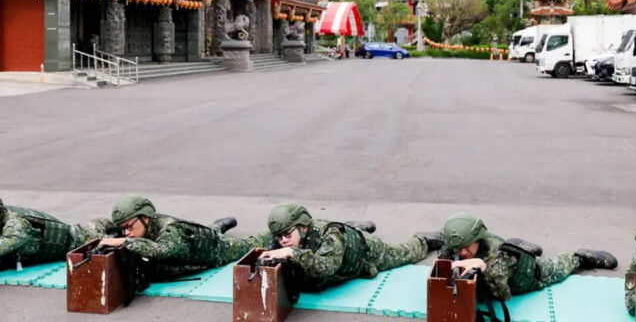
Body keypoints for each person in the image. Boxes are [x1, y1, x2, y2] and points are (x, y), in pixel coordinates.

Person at [258, 203, 443, 291]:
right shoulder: (286, 236)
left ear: (303, 227)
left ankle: (424, 240)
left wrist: (291, 252)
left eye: (287, 234)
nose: (283, 240)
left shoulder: (331, 236)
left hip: (365, 251)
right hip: (341, 244)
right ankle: (354, 227)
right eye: (279, 236)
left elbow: (326, 267)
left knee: (405, 253)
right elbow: (256, 244)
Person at [438, 212, 618, 301]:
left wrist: (482, 266)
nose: (462, 253)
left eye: (467, 247)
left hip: (529, 275)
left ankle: (580, 257)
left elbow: (503, 295)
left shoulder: (496, 256)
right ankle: (518, 248)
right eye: (458, 248)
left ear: (478, 238)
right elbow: (442, 263)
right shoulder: (457, 244)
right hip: (508, 258)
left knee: (557, 266)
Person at [99, 194, 271, 281]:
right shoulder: (144, 224)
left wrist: (124, 241)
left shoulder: (172, 230)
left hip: (215, 249)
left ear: (145, 218)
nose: (126, 232)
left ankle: (275, 231)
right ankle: (218, 226)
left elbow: (159, 251)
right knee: (211, 230)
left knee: (252, 243)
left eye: (129, 227)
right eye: (123, 228)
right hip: (192, 241)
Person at [0, 198, 117, 269]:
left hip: (78, 241)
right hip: (73, 234)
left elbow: (3, 246)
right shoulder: (5, 214)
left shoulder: (17, 225)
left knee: (104, 231)